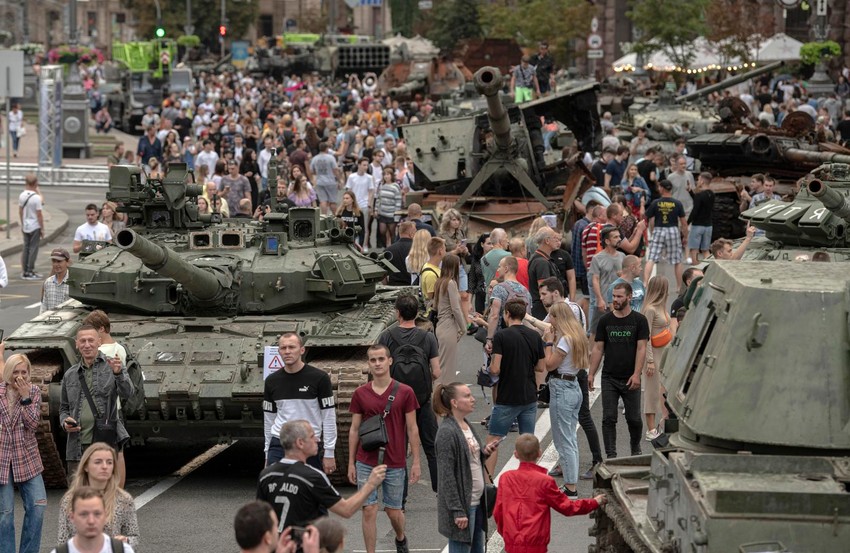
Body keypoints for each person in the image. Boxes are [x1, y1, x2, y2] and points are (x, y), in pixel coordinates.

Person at [348, 344, 421, 553]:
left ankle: (400, 537)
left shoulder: (405, 392)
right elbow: (354, 429)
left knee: (393, 511)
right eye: (373, 360)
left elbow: (412, 428)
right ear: (368, 364)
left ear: (390, 361)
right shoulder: (360, 393)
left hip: (395, 460)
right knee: (369, 509)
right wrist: (351, 463)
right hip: (366, 460)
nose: (377, 363)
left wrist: (416, 462)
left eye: (381, 359)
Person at [258, 420, 386, 529]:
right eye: (312, 436)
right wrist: (370, 484)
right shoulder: (312, 477)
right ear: (300, 443)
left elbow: (260, 519)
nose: (317, 439)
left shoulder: (266, 475)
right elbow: (346, 510)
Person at [493, 434, 605, 553]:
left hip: (512, 541)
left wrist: (508, 535)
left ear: (516, 454)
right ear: (539, 453)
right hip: (536, 543)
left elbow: (498, 512)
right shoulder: (545, 481)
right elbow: (567, 507)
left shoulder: (505, 478)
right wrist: (594, 502)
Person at [378, 294, 441, 496]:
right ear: (416, 314)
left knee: (398, 450)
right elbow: (437, 372)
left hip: (395, 400)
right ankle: (440, 490)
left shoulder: (386, 336)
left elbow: (380, 367)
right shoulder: (428, 337)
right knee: (431, 445)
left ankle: (400, 499)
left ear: (397, 313)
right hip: (421, 399)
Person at [59, 325, 134, 480]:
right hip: (77, 446)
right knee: (78, 491)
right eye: (83, 341)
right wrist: (64, 422)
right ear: (76, 344)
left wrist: (119, 374)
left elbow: (128, 393)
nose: (87, 345)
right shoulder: (70, 375)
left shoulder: (112, 366)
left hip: (105, 443)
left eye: (91, 340)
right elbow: (64, 408)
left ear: (99, 342)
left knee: (105, 490)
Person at [433, 382, 499, 553]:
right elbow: (447, 476)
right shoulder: (447, 432)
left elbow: (469, 460)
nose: (472, 399)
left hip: (476, 502)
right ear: (454, 403)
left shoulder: (466, 425)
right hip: (464, 507)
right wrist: (457, 511)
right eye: (467, 396)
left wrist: (484, 453)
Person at [484, 298, 546, 474]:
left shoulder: (502, 336)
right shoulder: (534, 336)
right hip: (529, 396)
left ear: (507, 314)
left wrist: (489, 364)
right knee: (528, 443)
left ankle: (488, 481)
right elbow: (541, 367)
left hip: (507, 396)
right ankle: (530, 478)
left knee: (493, 440)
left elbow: (495, 369)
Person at [588, 282, 649, 458]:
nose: (615, 299)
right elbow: (598, 348)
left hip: (631, 377)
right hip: (609, 377)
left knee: (634, 419)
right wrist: (591, 373)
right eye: (614, 296)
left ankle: (635, 448)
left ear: (629, 297)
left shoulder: (639, 320)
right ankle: (611, 456)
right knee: (608, 418)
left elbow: (641, 348)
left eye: (619, 296)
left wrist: (636, 374)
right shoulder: (605, 321)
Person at [263, 333, 337, 472]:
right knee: (274, 483)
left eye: (292, 347)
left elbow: (328, 416)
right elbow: (269, 419)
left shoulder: (319, 378)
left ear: (302, 350)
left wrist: (329, 452)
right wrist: (267, 452)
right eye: (283, 348)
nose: (287, 351)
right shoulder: (272, 381)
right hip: (279, 442)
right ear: (279, 351)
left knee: (308, 484)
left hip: (308, 443)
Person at [0, 351, 46, 553]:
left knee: (38, 507)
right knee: (5, 513)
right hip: (2, 459)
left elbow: (33, 424)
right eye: (15, 372)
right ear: (8, 373)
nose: (20, 376)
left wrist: (26, 398)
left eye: (24, 372)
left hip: (26, 457)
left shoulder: (33, 391)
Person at [541, 303, 588, 499]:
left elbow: (550, 364)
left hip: (562, 387)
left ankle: (571, 487)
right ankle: (570, 484)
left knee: (563, 440)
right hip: (574, 385)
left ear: (558, 318)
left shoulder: (565, 340)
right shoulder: (577, 335)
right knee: (570, 439)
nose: (549, 320)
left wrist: (548, 343)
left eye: (551, 316)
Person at [57, 443, 139, 548]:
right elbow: (62, 540)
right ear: (86, 466)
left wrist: (126, 541)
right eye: (98, 462)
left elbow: (134, 537)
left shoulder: (124, 499)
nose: (104, 467)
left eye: (109, 462)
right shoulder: (70, 500)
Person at [641, 276, 675, 441]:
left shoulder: (660, 307)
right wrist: (649, 360)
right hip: (654, 355)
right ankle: (651, 428)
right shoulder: (650, 309)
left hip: (664, 355)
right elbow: (646, 336)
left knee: (663, 390)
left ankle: (661, 422)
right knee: (652, 391)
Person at [51, 487, 134, 553]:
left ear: (105, 516)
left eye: (97, 514)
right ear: (72, 517)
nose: (91, 521)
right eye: (84, 514)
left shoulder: (123, 550)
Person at [642, 180, 687, 287]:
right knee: (677, 260)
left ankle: (645, 283)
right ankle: (679, 286)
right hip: (673, 230)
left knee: (652, 258)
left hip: (659, 229)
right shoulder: (677, 203)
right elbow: (683, 222)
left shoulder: (656, 202)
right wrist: (685, 236)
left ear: (662, 188)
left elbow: (646, 217)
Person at [484, 256, 532, 351]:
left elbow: (494, 316)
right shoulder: (525, 291)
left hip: (503, 337)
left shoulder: (499, 288)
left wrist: (489, 339)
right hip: (522, 337)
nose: (498, 270)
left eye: (499, 267)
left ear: (506, 269)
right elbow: (529, 315)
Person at [433, 254, 466, 384]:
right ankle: (443, 393)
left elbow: (435, 305)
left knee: (442, 363)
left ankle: (439, 391)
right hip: (449, 325)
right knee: (448, 367)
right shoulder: (451, 283)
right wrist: (464, 327)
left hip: (441, 324)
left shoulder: (439, 282)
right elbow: (456, 309)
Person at [589, 226, 626, 329]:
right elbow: (595, 280)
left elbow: (628, 279)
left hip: (620, 303)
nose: (619, 239)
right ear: (607, 241)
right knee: (596, 332)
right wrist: (599, 299)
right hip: (604, 303)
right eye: (615, 237)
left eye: (619, 236)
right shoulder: (597, 258)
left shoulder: (622, 256)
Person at [439, 208, 470, 320]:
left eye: (458, 219)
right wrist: (455, 251)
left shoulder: (460, 233)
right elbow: (441, 255)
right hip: (448, 268)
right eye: (453, 220)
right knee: (452, 295)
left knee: (464, 295)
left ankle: (466, 319)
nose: (456, 222)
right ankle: (456, 317)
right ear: (448, 221)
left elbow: (466, 252)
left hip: (460, 265)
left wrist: (465, 250)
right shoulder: (442, 236)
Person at [528, 226, 564, 319]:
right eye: (554, 238)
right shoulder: (541, 262)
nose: (557, 240)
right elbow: (544, 292)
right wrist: (552, 316)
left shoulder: (540, 259)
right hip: (543, 311)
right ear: (547, 241)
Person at [344, 158, 376, 251]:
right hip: (354, 205)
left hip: (364, 205)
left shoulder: (369, 178)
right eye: (364, 165)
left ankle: (364, 245)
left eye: (367, 165)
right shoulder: (352, 177)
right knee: (352, 225)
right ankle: (352, 244)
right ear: (359, 165)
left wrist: (370, 205)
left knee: (364, 227)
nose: (366, 167)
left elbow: (371, 192)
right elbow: (349, 190)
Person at [19, 174, 44, 280]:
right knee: (33, 248)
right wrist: (42, 228)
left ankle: (24, 270)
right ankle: (30, 271)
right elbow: (39, 214)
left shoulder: (22, 195)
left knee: (26, 248)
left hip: (26, 225)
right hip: (35, 226)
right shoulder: (36, 198)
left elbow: (20, 211)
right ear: (35, 183)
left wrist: (22, 223)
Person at [688, 172, 715, 263]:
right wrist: (690, 192)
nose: (697, 182)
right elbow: (700, 201)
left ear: (702, 181)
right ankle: (709, 266)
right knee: (705, 250)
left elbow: (695, 210)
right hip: (708, 225)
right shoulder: (712, 194)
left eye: (698, 179)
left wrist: (687, 222)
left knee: (694, 249)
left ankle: (696, 267)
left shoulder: (700, 195)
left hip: (697, 225)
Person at [311, 142, 342, 215]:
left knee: (323, 201)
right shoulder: (330, 158)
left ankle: (324, 216)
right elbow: (335, 170)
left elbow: (312, 170)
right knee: (332, 201)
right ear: (326, 148)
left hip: (319, 181)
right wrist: (339, 180)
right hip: (330, 181)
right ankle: (335, 216)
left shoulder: (315, 158)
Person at [377, 167, 402, 248]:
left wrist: (397, 215)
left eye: (388, 174)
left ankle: (393, 248)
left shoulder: (395, 186)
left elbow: (398, 201)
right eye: (384, 174)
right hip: (383, 213)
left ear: (391, 176)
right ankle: (385, 247)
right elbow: (378, 199)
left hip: (392, 214)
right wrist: (376, 210)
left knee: (392, 233)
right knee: (382, 231)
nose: (386, 176)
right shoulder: (381, 185)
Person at [40, 248, 71, 314]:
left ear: (67, 262)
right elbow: (43, 307)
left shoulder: (73, 283)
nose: (56, 264)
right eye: (54, 261)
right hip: (50, 319)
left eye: (59, 261)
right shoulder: (48, 282)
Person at [420, 237, 445, 306]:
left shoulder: (429, 266)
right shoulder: (431, 274)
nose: (445, 252)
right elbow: (431, 298)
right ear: (440, 251)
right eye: (445, 249)